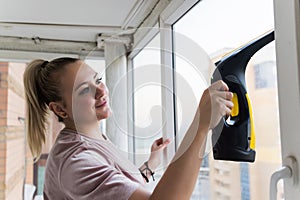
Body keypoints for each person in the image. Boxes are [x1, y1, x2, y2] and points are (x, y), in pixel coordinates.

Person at [23, 57, 233, 200]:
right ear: (60, 109)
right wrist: (200, 125)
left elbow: (117, 188)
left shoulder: (90, 139)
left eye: (98, 80)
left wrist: (150, 164)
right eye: (84, 89)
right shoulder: (75, 163)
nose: (100, 91)